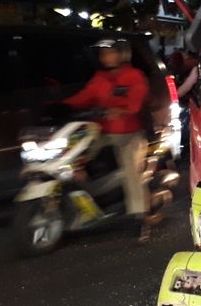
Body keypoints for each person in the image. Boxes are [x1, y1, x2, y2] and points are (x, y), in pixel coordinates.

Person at [64, 39, 152, 239]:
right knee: (72, 157)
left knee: (132, 172)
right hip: (101, 132)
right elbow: (83, 97)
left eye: (109, 52)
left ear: (122, 54)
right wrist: (61, 105)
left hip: (129, 134)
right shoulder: (100, 78)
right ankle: (85, 201)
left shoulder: (134, 76)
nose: (105, 57)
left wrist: (120, 110)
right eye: (103, 54)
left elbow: (135, 103)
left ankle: (139, 218)